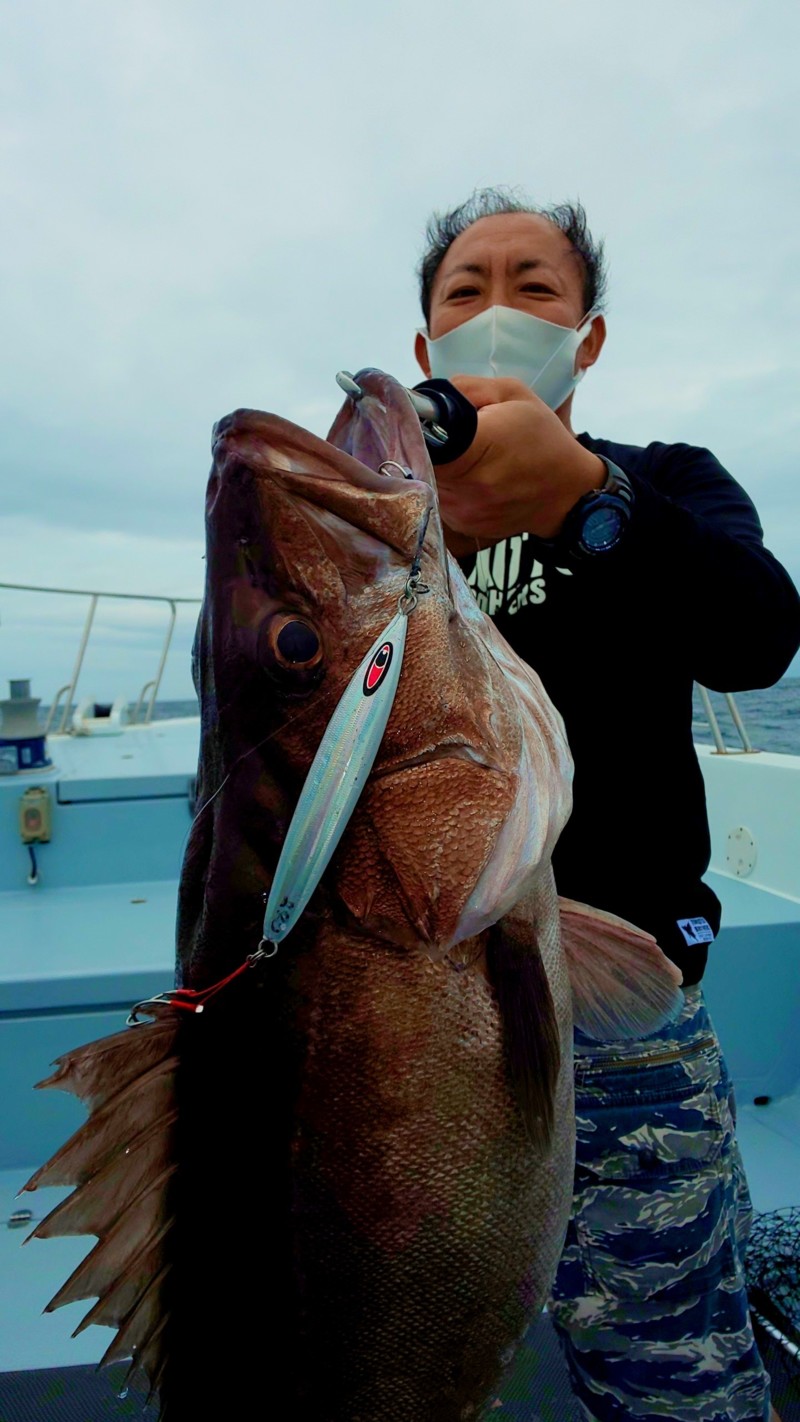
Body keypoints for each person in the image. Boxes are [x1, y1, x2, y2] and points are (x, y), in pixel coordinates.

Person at [413, 189, 800, 1422]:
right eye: (463, 289)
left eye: (535, 287)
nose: (495, 310)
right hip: (410, 1009)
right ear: (423, 348)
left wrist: (581, 500)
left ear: (587, 337)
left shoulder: (663, 484)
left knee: (675, 1371)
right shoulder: (379, 524)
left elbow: (753, 637)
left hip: (620, 1005)